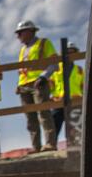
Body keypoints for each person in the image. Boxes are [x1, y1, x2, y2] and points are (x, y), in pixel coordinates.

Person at [14, 19, 58, 152]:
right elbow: (23, 70)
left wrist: (43, 77)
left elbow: (54, 63)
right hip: (24, 86)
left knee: (43, 113)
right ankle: (36, 146)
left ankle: (50, 143)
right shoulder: (22, 50)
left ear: (30, 31)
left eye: (21, 33)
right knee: (30, 118)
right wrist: (19, 84)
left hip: (38, 84)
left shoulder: (44, 43)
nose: (18, 36)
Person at [50, 41, 85, 147]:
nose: (69, 54)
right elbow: (50, 84)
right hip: (59, 102)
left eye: (72, 52)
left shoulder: (79, 70)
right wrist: (51, 97)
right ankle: (52, 146)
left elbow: (83, 86)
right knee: (54, 127)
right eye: (67, 52)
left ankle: (75, 147)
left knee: (75, 127)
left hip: (75, 102)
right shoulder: (56, 69)